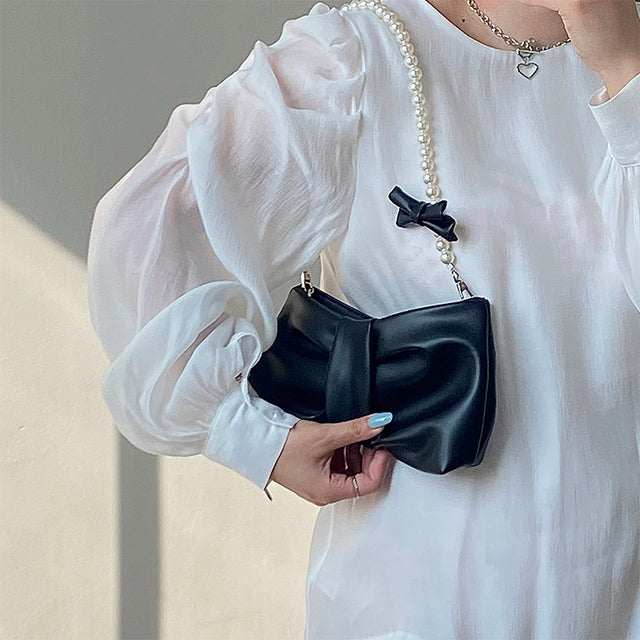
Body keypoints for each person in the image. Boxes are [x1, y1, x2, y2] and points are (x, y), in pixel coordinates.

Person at [87, 0, 640, 636]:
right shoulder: (354, 59)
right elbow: (143, 228)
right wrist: (252, 435)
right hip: (426, 598)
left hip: (619, 589)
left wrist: (624, 68)